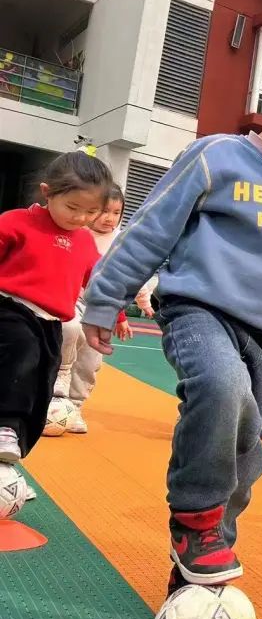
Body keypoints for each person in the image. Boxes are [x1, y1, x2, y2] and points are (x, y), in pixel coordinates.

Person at [82, 55, 262, 595]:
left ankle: (200, 566)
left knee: (245, 450)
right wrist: (106, 298)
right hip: (200, 312)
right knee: (219, 387)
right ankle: (192, 519)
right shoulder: (218, 157)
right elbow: (150, 230)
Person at [0, 151, 111, 464]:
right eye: (72, 207)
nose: (79, 218)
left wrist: (111, 314)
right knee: (22, 352)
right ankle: (5, 423)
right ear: (48, 193)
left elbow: (99, 282)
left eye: (91, 212)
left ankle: (10, 464)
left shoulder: (84, 242)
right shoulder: (16, 222)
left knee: (40, 390)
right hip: (11, 310)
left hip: (52, 324)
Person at [52, 185, 155, 434]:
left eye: (116, 212)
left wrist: (138, 305)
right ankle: (57, 387)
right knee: (69, 331)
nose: (109, 218)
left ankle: (74, 406)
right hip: (71, 299)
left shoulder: (122, 241)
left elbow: (131, 278)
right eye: (104, 211)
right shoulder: (77, 233)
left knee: (90, 359)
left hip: (102, 307)